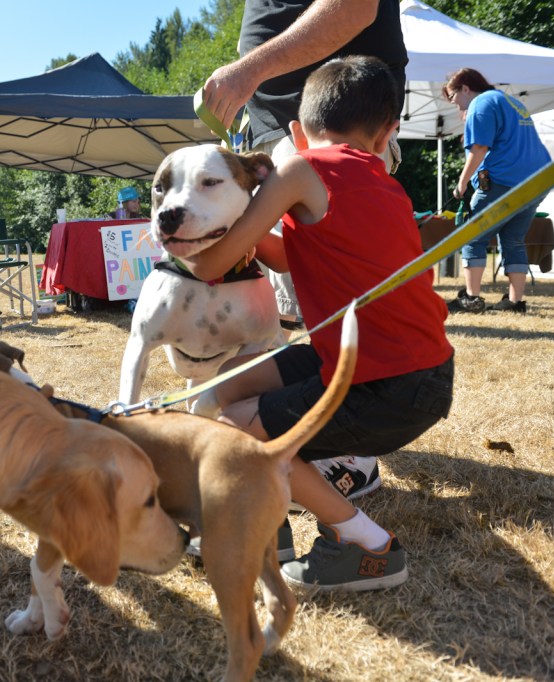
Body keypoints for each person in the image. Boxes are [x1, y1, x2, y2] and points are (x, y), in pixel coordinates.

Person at [183, 56, 455, 590]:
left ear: (293, 133)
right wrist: (245, 223)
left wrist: (181, 222)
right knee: (231, 377)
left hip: (386, 384)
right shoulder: (383, 183)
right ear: (388, 135)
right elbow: (287, 257)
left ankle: (368, 547)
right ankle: (268, 526)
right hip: (406, 368)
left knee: (235, 431)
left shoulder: (301, 170)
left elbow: (208, 265)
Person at [200, 0, 409, 499]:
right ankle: (329, 447)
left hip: (317, 129)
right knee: (306, 305)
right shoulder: (334, 175)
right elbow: (296, 257)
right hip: (290, 127)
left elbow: (354, 8)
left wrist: (186, 237)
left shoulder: (308, 168)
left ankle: (343, 459)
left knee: (317, 315)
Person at [442, 68, 551, 314]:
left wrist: (462, 182)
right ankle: (515, 302)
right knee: (513, 240)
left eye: (453, 96)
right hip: (538, 181)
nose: (453, 103)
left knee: (473, 236)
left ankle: (471, 299)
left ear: (466, 89)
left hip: (503, 179)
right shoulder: (511, 101)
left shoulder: (481, 103)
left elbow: (479, 148)